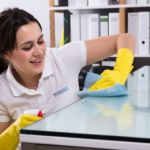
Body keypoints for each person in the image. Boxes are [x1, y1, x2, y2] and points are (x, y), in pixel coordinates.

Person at [0, 8, 136, 150]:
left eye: (41, 41)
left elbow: (126, 38)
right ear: (7, 54)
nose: (39, 52)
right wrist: (14, 131)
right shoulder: (2, 90)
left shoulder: (63, 59)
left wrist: (120, 71)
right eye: (27, 47)